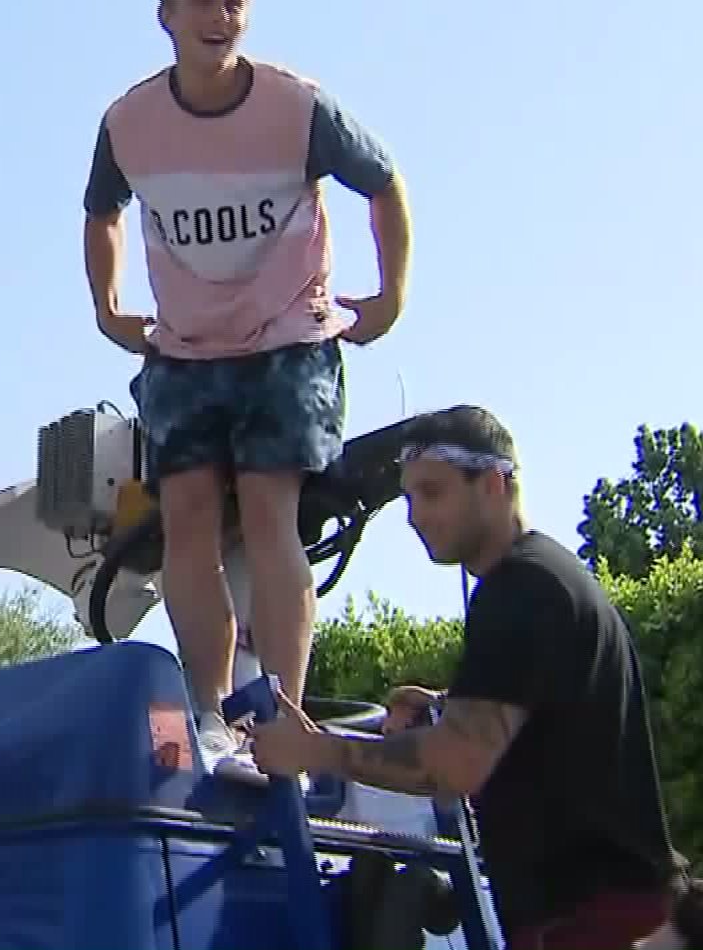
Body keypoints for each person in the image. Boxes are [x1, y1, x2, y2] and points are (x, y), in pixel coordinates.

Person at [81, 0, 412, 766]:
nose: (220, 17)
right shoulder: (130, 122)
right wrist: (108, 305)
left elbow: (384, 186)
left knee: (270, 515)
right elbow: (101, 212)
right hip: (186, 348)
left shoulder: (298, 108)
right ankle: (211, 713)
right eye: (203, 1)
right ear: (167, 16)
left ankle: (287, 721)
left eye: (234, 2)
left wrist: (390, 297)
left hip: (285, 339)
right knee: (187, 521)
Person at [250, 405, 679, 950]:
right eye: (408, 497)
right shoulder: (551, 575)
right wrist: (446, 703)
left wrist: (316, 751)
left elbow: (455, 765)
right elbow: (542, 709)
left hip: (592, 921)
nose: (413, 516)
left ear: (495, 484)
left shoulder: (518, 589)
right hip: (615, 912)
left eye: (432, 493)